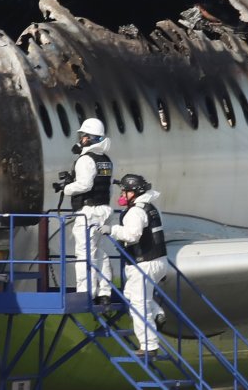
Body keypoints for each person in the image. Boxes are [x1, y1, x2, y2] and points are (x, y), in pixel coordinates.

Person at [105, 174, 168, 357]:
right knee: (131, 296)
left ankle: (149, 346)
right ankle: (157, 313)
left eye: (126, 190)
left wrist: (112, 230)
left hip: (144, 264)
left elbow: (132, 236)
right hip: (158, 262)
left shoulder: (135, 212)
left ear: (135, 192)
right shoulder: (151, 208)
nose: (123, 194)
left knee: (139, 306)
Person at [54, 118, 113, 305]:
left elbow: (85, 185)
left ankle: (86, 292)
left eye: (83, 136)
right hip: (104, 209)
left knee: (84, 254)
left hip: (88, 212)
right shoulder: (106, 160)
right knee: (100, 252)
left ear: (88, 138)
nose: (80, 139)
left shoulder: (85, 160)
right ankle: (105, 292)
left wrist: (67, 188)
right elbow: (108, 186)